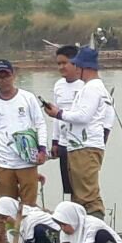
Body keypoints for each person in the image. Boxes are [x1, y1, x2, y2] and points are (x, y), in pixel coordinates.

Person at [44, 47, 112, 219]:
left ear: (83, 67)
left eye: (76, 65)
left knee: (88, 195)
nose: (74, 68)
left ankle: (96, 230)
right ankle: (83, 228)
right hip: (79, 146)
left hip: (85, 147)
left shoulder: (91, 88)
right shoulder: (93, 87)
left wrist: (58, 113)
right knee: (79, 194)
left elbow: (83, 116)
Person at [0, 59, 48, 208]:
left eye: (7, 76)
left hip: (27, 160)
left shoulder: (27, 98)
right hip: (3, 162)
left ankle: (26, 230)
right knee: (7, 205)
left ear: (13, 76)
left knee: (29, 204)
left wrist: (42, 149)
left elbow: (40, 124)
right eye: (0, 77)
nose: (4, 80)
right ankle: (11, 231)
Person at [50, 45, 84, 198]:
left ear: (76, 63)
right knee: (69, 188)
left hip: (81, 144)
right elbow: (55, 116)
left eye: (65, 63)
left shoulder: (85, 85)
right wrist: (55, 141)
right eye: (59, 64)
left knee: (83, 187)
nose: (61, 67)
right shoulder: (58, 86)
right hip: (64, 143)